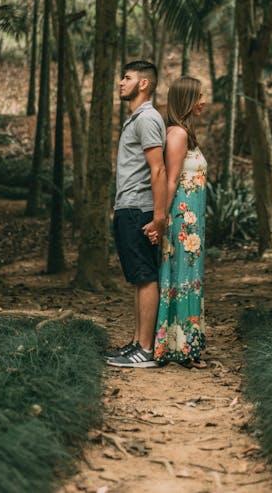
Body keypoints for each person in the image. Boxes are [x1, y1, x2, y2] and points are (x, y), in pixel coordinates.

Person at [106, 60, 167, 368]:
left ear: (143, 84)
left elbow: (158, 169)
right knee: (139, 278)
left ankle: (145, 349)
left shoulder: (147, 119)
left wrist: (158, 218)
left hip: (139, 209)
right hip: (128, 207)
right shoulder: (137, 119)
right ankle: (136, 343)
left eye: (127, 78)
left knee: (145, 277)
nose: (121, 82)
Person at [151, 76, 207, 369]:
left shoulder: (184, 132)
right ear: (186, 100)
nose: (203, 101)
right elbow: (170, 181)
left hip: (191, 223)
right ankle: (180, 349)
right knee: (181, 280)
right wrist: (160, 219)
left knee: (188, 280)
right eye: (199, 96)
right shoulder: (177, 134)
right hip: (180, 223)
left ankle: (182, 345)